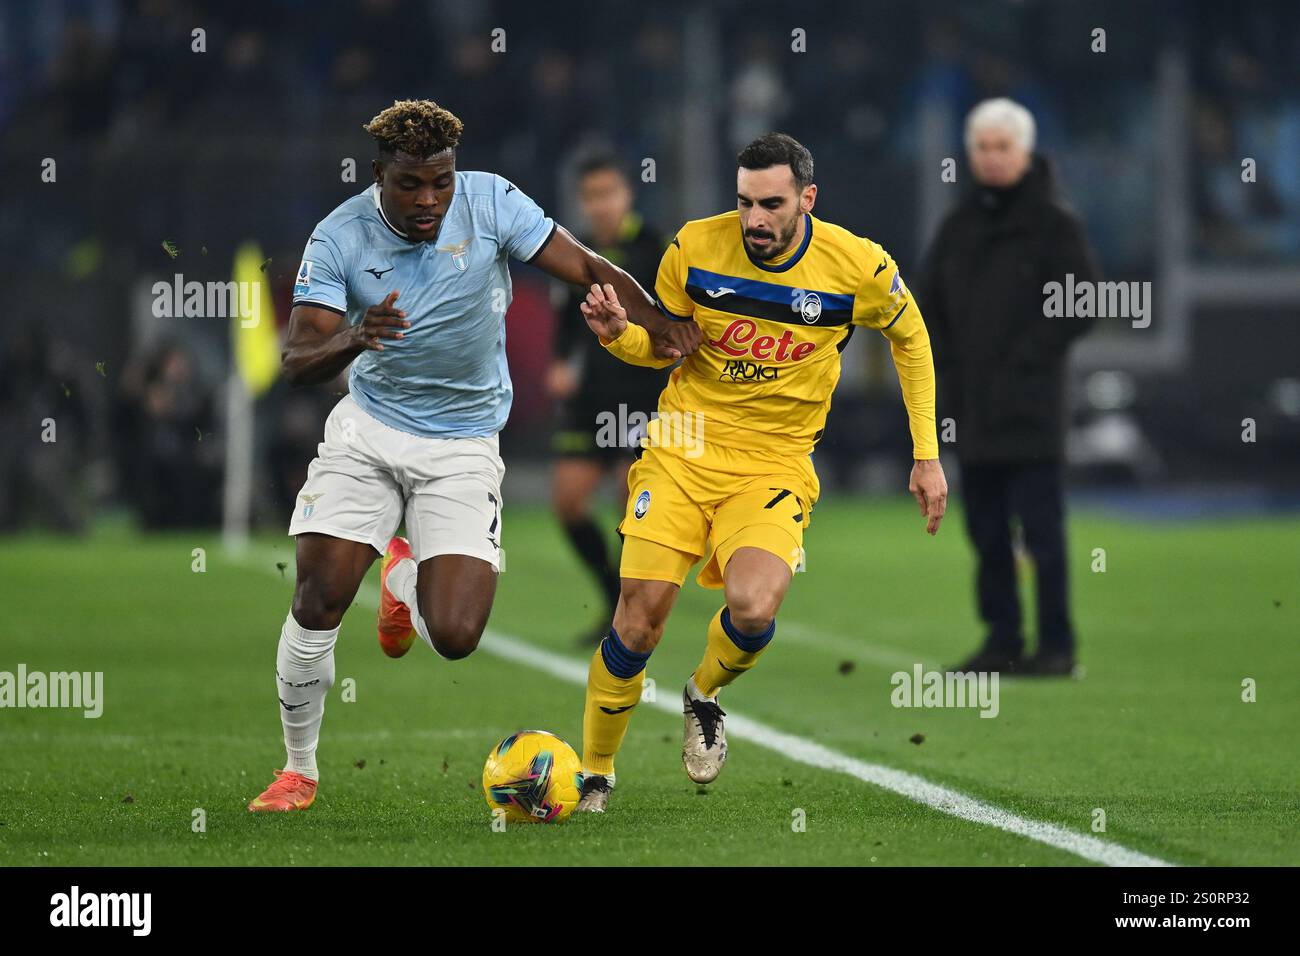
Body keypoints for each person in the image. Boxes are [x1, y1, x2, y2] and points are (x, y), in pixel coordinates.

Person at [248, 99, 700, 812]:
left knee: (457, 635)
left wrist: (662, 323)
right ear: (379, 176)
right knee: (321, 594)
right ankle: (297, 769)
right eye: (411, 185)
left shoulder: (491, 201)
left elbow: (583, 266)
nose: (429, 201)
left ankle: (401, 584)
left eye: (441, 182)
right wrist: (354, 335)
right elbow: (297, 355)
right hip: (368, 432)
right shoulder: (338, 235)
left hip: (463, 443)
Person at [573, 133, 947, 812]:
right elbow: (659, 349)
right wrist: (614, 334)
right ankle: (596, 771)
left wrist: (926, 454)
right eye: (744, 202)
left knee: (753, 605)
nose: (754, 220)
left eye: (770, 204)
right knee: (640, 617)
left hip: (774, 461)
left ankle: (703, 694)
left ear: (806, 199)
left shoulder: (856, 266)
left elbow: (911, 336)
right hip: (682, 448)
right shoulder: (692, 248)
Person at [919, 98, 1098, 677]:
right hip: (973, 408)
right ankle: (1002, 641)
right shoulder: (959, 224)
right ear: (971, 153)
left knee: (1042, 532)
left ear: (1025, 152)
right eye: (983, 148)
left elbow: (1081, 303)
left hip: (1031, 408)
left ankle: (1056, 647)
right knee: (986, 531)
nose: (992, 158)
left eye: (1003, 147)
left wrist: (1024, 360)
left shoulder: (1054, 224)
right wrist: (948, 363)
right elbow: (927, 305)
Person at [548, 156, 669, 646]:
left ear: (628, 194)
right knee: (569, 502)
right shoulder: (574, 250)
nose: (601, 204)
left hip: (643, 394)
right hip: (592, 396)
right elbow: (564, 316)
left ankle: (629, 612)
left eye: (609, 193)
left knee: (629, 505)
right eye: (591, 195)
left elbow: (673, 315)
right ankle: (610, 596)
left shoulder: (655, 247)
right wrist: (559, 361)